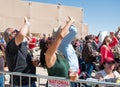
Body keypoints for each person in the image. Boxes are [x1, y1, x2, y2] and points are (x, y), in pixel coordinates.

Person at [40, 16, 78, 87]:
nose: (52, 37)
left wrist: (71, 73)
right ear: (47, 45)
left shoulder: (59, 53)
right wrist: (70, 22)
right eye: (49, 38)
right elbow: (61, 36)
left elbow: (67, 67)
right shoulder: (49, 55)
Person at [3, 17, 37, 87]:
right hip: (21, 83)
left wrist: (32, 63)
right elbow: (21, 35)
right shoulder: (10, 45)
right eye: (14, 31)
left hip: (30, 80)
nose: (17, 31)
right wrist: (26, 23)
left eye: (16, 30)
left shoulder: (21, 44)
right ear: (9, 37)